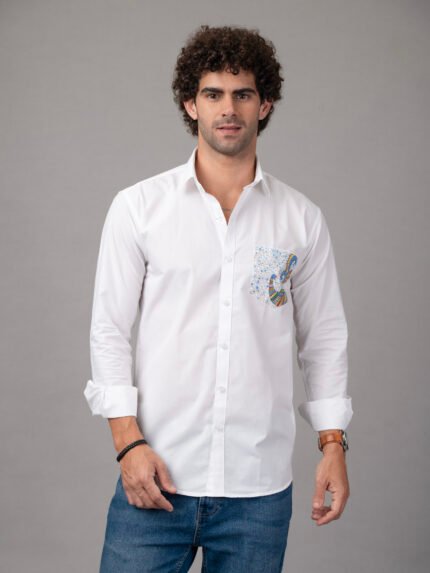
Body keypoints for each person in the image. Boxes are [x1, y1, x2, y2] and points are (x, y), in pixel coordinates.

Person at [84, 24, 353, 573]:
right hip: (155, 477)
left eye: (242, 94)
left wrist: (332, 443)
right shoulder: (139, 208)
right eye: (213, 94)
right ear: (191, 104)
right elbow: (109, 330)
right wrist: (127, 445)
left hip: (259, 491)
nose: (228, 108)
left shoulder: (300, 219)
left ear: (264, 104)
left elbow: (323, 339)